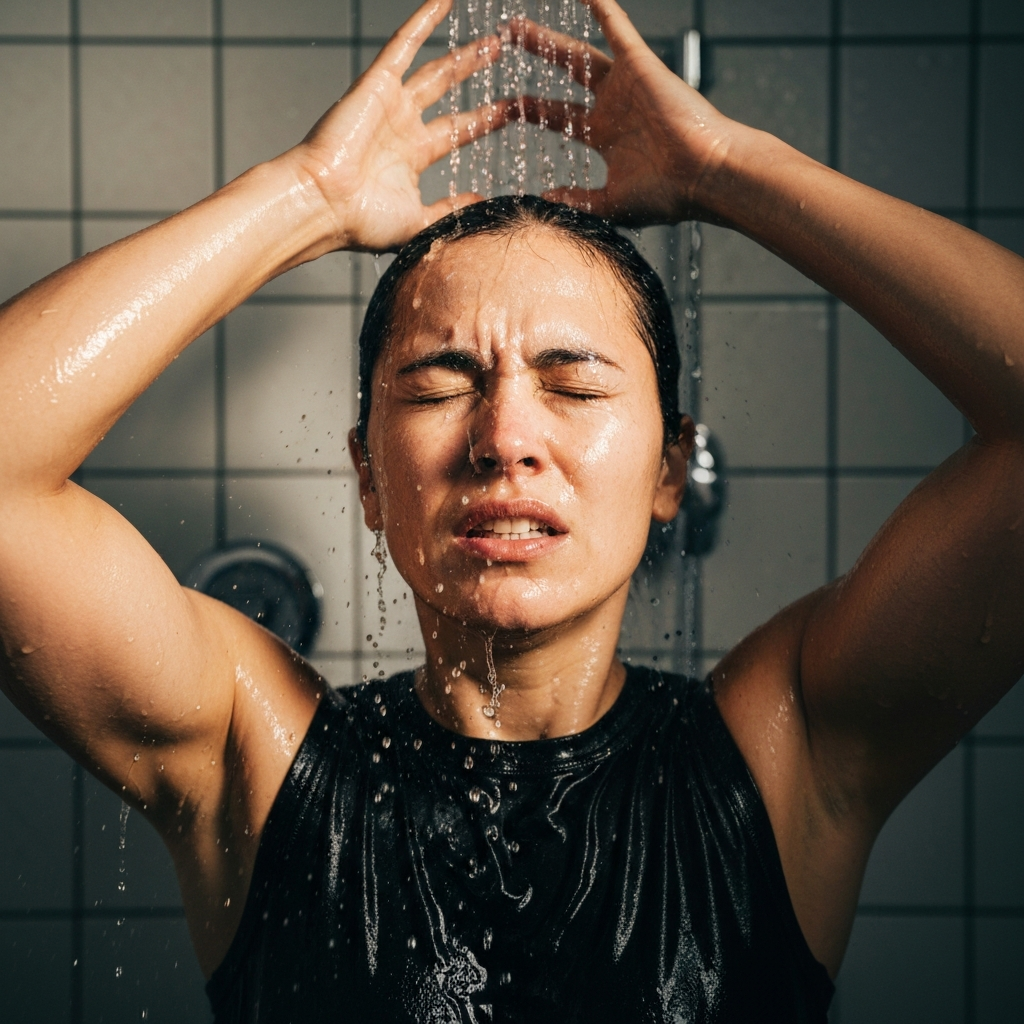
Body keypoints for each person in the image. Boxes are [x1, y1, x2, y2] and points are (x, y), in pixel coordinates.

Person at [1, 0, 1022, 1019]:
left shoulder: (785, 752)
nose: (503, 438)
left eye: (572, 385)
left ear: (670, 468)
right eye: (442, 384)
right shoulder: (253, 754)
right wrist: (302, 195)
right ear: (366, 474)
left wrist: (729, 171)